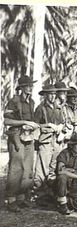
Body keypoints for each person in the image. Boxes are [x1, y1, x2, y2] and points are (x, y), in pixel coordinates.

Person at [4, 75, 40, 212]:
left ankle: (22, 198)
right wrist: (24, 123)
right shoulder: (14, 101)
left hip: (29, 136)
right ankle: (11, 200)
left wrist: (32, 126)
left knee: (28, 168)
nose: (30, 88)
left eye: (31, 86)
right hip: (16, 136)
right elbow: (7, 122)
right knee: (16, 168)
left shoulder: (31, 102)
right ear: (22, 88)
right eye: (28, 86)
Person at [33, 84, 65, 188]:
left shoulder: (58, 108)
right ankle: (38, 188)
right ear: (45, 95)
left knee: (54, 165)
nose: (52, 96)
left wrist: (60, 126)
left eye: (54, 94)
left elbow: (62, 122)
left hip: (57, 140)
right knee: (42, 165)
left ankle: (50, 188)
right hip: (46, 140)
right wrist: (48, 125)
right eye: (50, 94)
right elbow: (35, 125)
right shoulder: (40, 108)